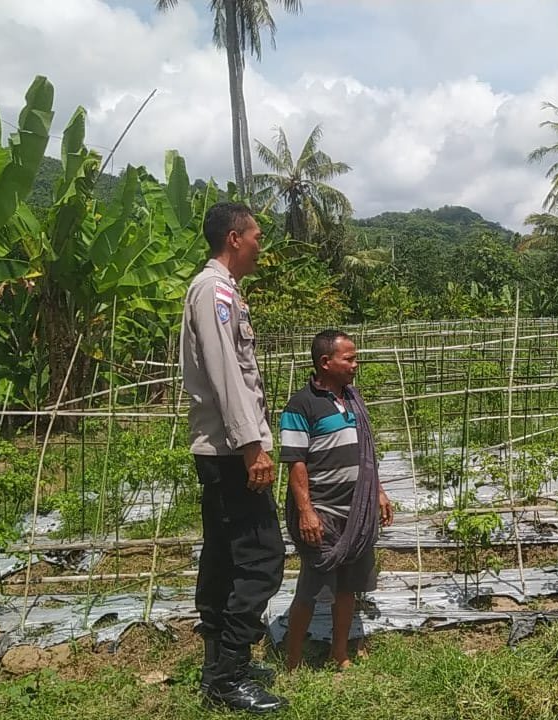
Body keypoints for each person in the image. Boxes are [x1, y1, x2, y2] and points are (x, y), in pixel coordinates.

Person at [179, 202, 287, 713]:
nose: (261, 245)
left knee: (222, 557)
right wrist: (254, 449)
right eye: (257, 236)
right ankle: (230, 676)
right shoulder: (215, 291)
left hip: (223, 449)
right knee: (263, 559)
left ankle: (217, 667)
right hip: (231, 451)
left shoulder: (219, 291)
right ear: (234, 238)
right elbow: (226, 375)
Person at [280, 329, 393, 670]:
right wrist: (306, 511)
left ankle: (339, 653)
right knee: (311, 590)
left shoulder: (353, 399)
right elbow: (296, 462)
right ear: (326, 362)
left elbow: (366, 455)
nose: (355, 364)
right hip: (322, 512)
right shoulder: (301, 405)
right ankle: (292, 660)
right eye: (350, 358)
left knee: (348, 589)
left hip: (354, 511)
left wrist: (379, 491)